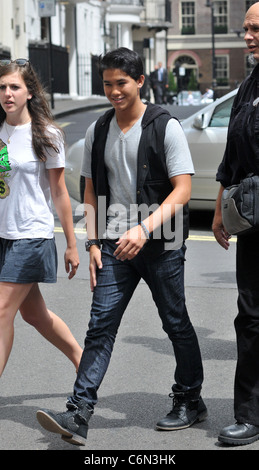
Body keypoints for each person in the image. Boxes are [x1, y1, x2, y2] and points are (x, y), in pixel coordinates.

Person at [36, 47, 206, 446]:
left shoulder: (165, 126)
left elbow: (183, 190)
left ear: (140, 81)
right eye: (108, 84)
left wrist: (145, 228)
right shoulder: (99, 129)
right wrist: (93, 241)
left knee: (175, 322)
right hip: (113, 243)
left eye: (121, 83)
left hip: (160, 241)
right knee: (100, 327)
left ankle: (189, 399)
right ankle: (78, 412)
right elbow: (91, 190)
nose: (114, 91)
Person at [0, 59, 82, 378]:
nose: (8, 93)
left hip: (31, 235)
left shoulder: (46, 134)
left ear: (29, 92)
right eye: (2, 87)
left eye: (14, 87)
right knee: (34, 315)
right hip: (4, 236)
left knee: (3, 311)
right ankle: (83, 360)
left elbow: (60, 193)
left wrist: (72, 244)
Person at [213, 2, 259, 446]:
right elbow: (232, 152)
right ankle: (249, 413)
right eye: (245, 28)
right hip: (253, 222)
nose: (247, 35)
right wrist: (220, 205)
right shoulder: (248, 85)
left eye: (256, 28)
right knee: (250, 317)